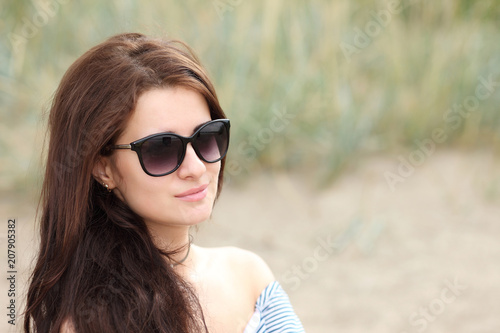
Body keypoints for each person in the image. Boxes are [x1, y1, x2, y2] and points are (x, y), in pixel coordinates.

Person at [24, 32, 305, 333]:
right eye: (162, 149)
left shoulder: (250, 277)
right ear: (102, 168)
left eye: (207, 137)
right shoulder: (87, 323)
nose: (196, 168)